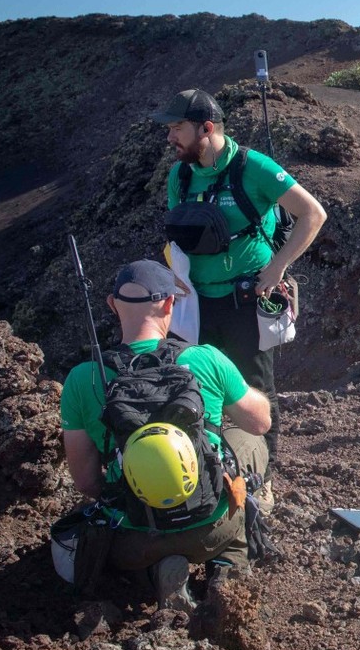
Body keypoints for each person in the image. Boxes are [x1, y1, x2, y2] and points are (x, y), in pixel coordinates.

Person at [60, 260, 272, 609]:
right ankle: (226, 569)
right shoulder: (205, 358)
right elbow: (260, 422)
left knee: (124, 550)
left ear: (112, 306)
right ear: (170, 304)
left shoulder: (82, 379)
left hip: (135, 537)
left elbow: (85, 482)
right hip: (210, 526)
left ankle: (154, 573)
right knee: (249, 441)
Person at [158, 88, 326, 463]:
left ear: (206, 128)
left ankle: (262, 476)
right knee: (197, 386)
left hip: (246, 300)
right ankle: (213, 467)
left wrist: (277, 267)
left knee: (255, 391)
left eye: (176, 128)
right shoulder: (180, 176)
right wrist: (175, 276)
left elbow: (313, 214)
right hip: (197, 304)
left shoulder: (254, 168)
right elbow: (177, 233)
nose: (170, 137)